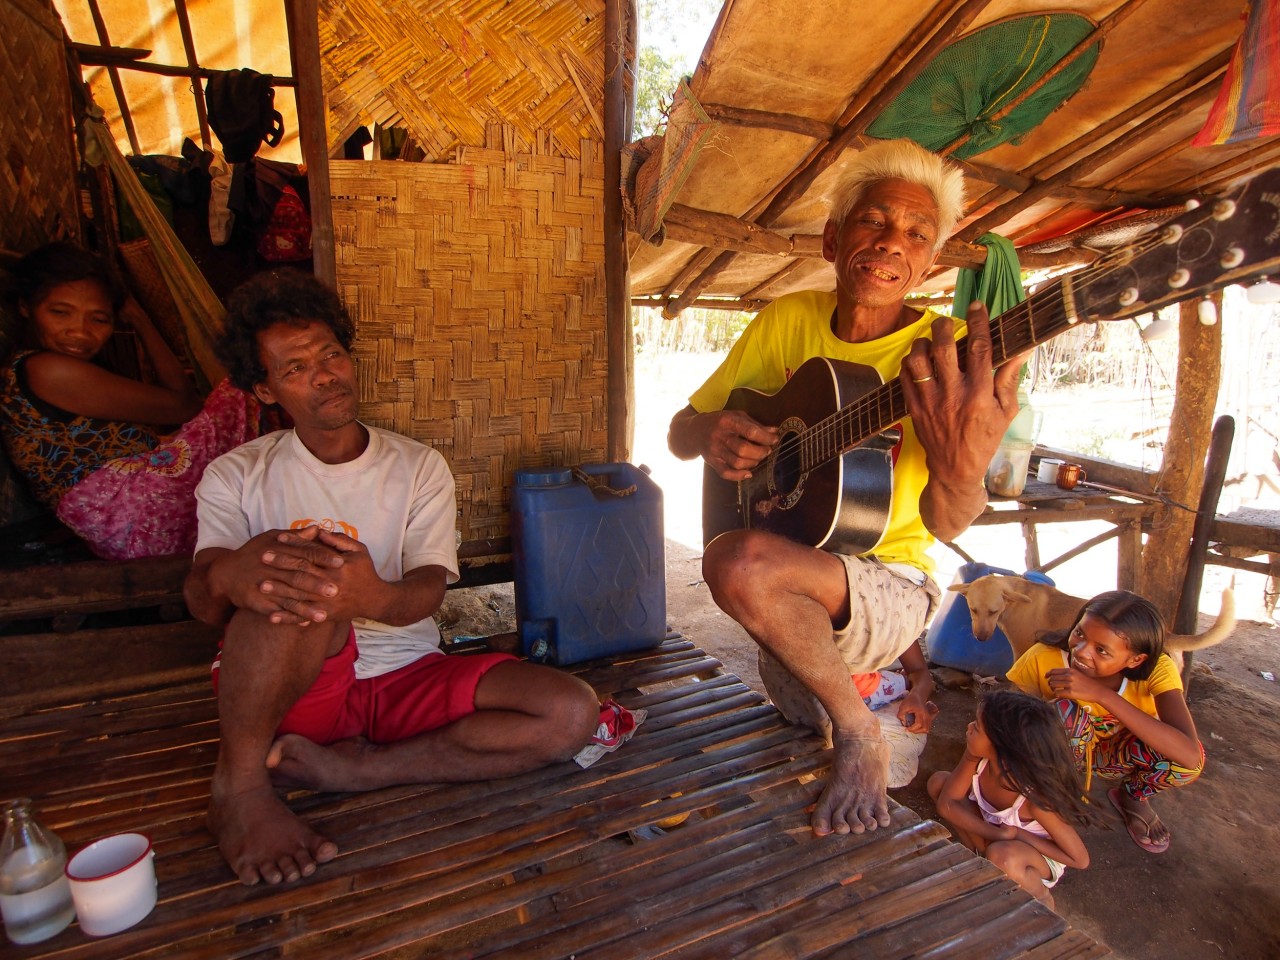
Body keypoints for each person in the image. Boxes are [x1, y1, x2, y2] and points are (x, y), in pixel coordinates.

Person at [184, 269, 606, 886]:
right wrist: (232, 573)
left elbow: (429, 591)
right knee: (299, 593)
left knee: (571, 714)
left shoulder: (417, 467)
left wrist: (376, 596)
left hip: (407, 674)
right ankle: (241, 790)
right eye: (295, 368)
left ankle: (357, 771)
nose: (324, 375)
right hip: (290, 696)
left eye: (330, 354)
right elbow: (200, 600)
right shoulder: (235, 476)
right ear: (265, 389)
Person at [667, 138, 1028, 836]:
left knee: (736, 560)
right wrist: (712, 430)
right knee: (792, 753)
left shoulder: (943, 360)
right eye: (875, 221)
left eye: (918, 234)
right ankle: (849, 718)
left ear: (929, 262)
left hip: (888, 591)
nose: (894, 243)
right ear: (835, 238)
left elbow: (950, 524)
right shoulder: (786, 321)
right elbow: (681, 432)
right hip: (797, 571)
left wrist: (958, 468)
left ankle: (863, 732)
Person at [0, 241, 264, 558]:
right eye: (60, 312)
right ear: (26, 307)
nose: (80, 332)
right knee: (245, 388)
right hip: (131, 518)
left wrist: (138, 318)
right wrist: (142, 321)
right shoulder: (48, 371)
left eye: (99, 319)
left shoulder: (49, 369)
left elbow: (179, 404)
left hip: (127, 518)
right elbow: (184, 406)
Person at [1007, 590, 1205, 855]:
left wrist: (1102, 695)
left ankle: (1133, 796)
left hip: (1121, 756)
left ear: (1136, 660)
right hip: (1061, 754)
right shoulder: (1042, 657)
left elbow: (1189, 756)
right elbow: (1008, 715)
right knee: (1063, 711)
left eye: (1101, 650)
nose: (1081, 652)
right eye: (1079, 634)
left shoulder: (1158, 669)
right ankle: (1051, 795)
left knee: (1183, 761)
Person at [927, 690, 1094, 908]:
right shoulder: (979, 760)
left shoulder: (1035, 801)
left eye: (976, 727)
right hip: (994, 833)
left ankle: (1041, 898)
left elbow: (1079, 860)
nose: (969, 727)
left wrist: (1018, 834)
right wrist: (997, 833)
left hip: (1029, 854)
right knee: (939, 783)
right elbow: (947, 805)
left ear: (1002, 747)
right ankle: (981, 860)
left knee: (1003, 856)